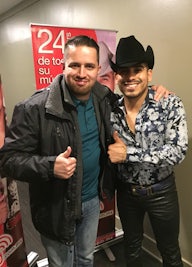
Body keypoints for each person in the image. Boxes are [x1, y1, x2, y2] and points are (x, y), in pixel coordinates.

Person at [0, 35, 170, 267]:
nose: (82, 73)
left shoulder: (103, 97)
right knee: (62, 264)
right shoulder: (33, 109)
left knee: (86, 259)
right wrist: (50, 166)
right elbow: (8, 160)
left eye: (89, 66)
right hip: (56, 206)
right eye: (75, 65)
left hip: (91, 200)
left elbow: (131, 96)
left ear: (98, 69)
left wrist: (153, 90)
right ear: (63, 66)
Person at [107, 35, 188, 267]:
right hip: (126, 193)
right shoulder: (111, 109)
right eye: (123, 71)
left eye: (137, 69)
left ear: (149, 73)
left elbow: (178, 151)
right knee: (131, 248)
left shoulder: (170, 103)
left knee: (170, 251)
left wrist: (128, 154)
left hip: (162, 193)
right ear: (117, 76)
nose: (130, 76)